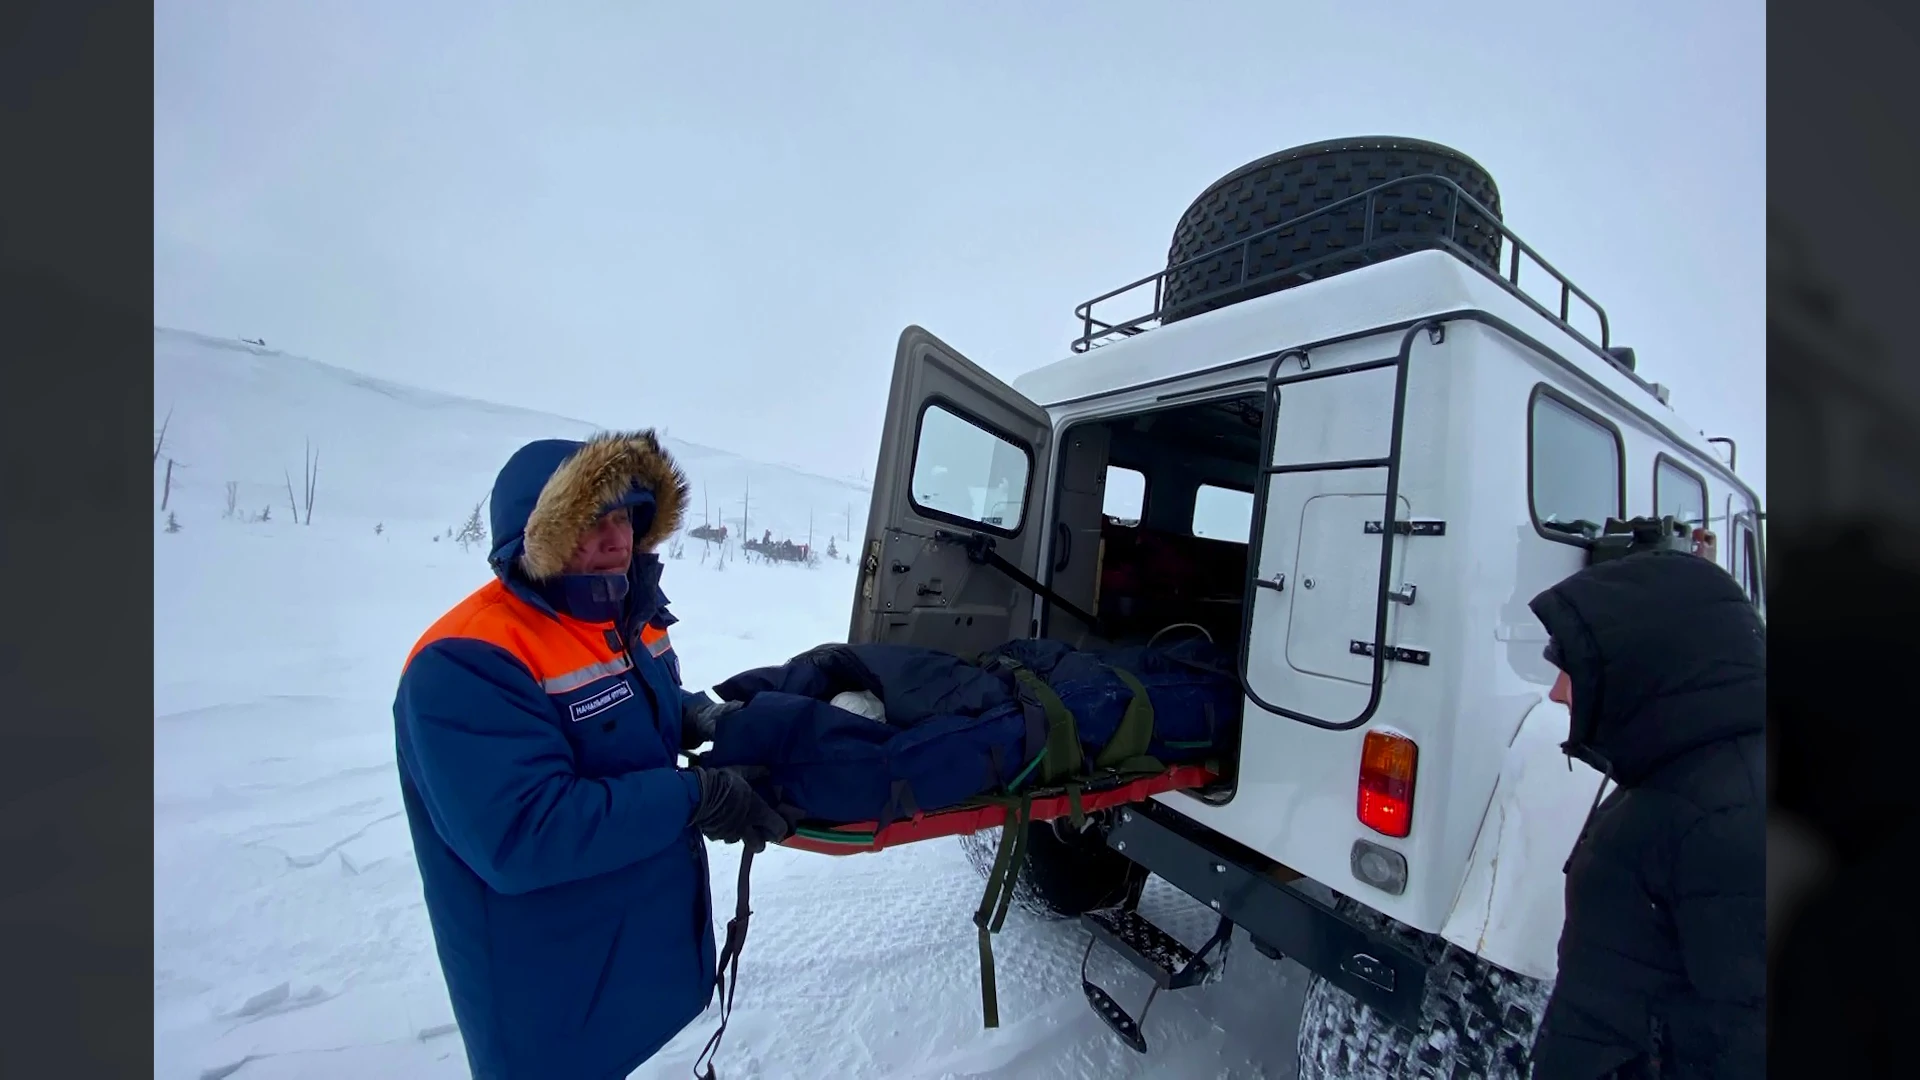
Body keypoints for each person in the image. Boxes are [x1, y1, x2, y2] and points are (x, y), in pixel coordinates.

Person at [393, 430, 791, 1080]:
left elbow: (622, 705)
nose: (617, 539)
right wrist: (697, 796)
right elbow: (524, 833)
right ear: (538, 534)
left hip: (631, 948)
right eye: (591, 521)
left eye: (626, 517)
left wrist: (695, 714)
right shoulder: (468, 660)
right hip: (549, 986)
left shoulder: (627, 615)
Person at [1527, 548, 1765, 1079]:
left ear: (1645, 661)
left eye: (1569, 667)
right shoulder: (1675, 771)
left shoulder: (1732, 817)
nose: (1556, 691)